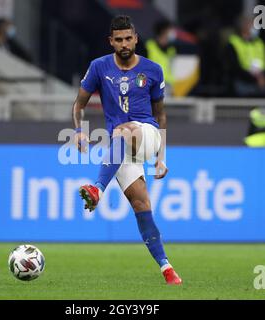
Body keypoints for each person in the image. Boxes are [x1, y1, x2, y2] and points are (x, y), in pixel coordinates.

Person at [72, 15, 182, 285]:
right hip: (120, 149)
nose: (124, 44)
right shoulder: (98, 67)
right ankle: (167, 268)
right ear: (111, 41)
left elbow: (161, 114)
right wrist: (78, 130)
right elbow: (79, 105)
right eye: (118, 39)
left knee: (122, 131)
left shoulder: (153, 70)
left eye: (128, 38)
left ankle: (97, 188)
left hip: (147, 134)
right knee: (141, 204)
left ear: (136, 38)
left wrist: (161, 157)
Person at [225, 15, 265, 97]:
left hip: (258, 83)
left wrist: (262, 76)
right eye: (252, 25)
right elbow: (233, 66)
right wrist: (252, 77)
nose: (255, 28)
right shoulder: (234, 42)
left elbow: (264, 63)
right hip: (241, 83)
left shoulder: (259, 43)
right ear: (244, 26)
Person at [144, 20, 177, 94]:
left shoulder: (172, 50)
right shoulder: (149, 46)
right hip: (153, 85)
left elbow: (171, 70)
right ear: (163, 31)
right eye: (170, 30)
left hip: (168, 86)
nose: (173, 33)